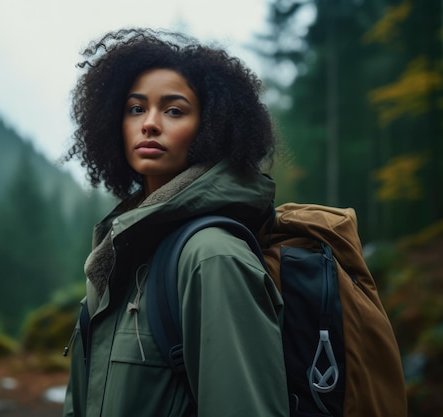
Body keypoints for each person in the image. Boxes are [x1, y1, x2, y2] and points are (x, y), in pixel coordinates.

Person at [62, 28, 289, 417]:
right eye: (136, 108)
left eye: (174, 110)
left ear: (211, 126)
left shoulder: (212, 256)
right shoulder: (119, 255)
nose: (149, 123)